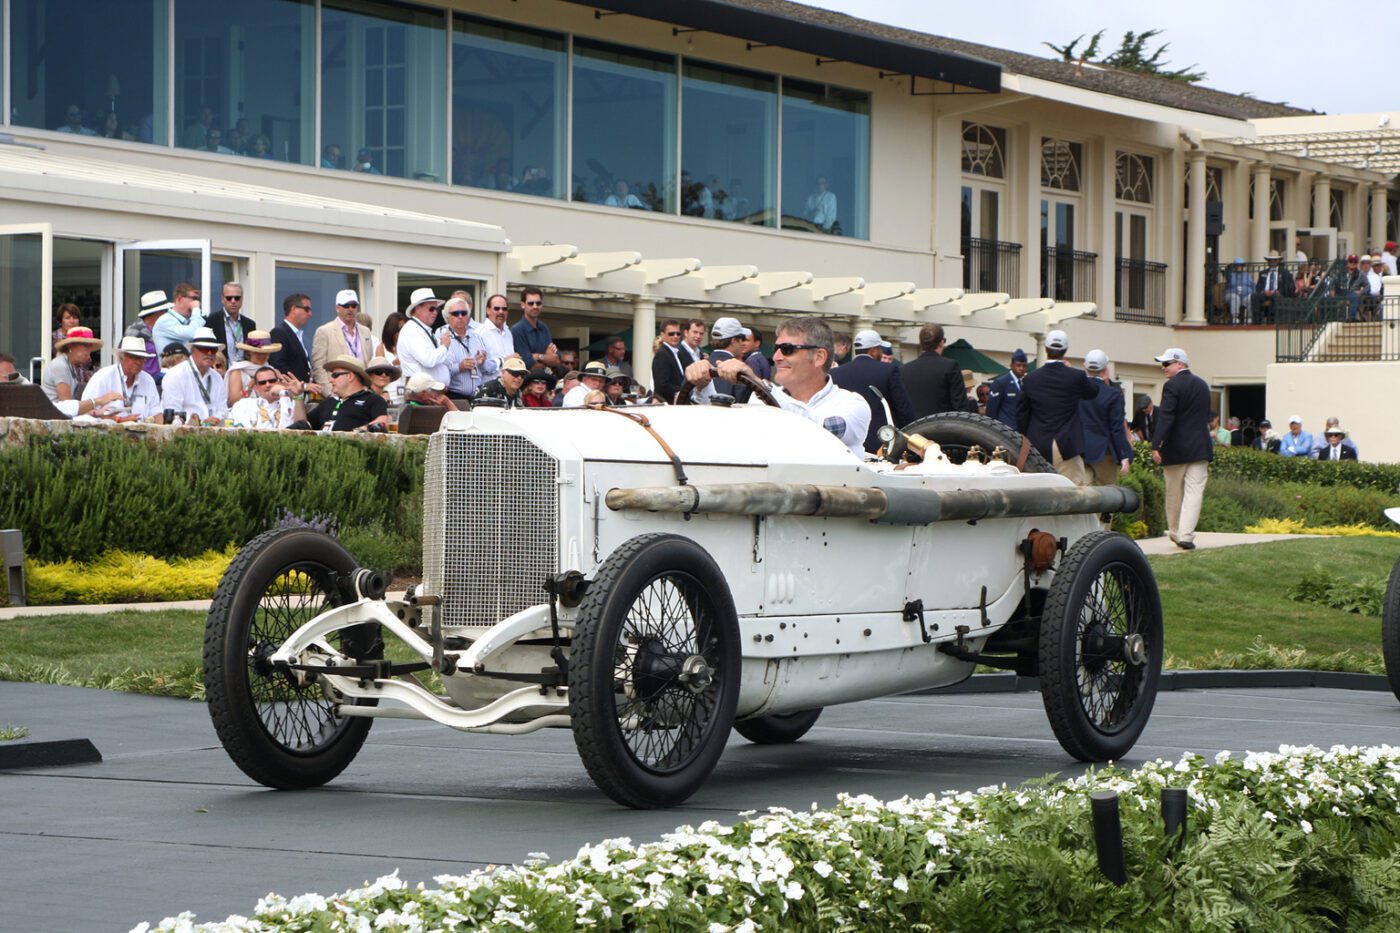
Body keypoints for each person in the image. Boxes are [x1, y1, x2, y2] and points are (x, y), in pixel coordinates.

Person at [683, 315, 870, 458]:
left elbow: (818, 429)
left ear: (819, 357)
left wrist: (759, 384)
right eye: (776, 349)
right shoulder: (759, 398)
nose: (777, 357)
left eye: (787, 349)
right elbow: (725, 435)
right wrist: (703, 386)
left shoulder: (852, 405)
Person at [1015, 330, 1097, 485]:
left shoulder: (1031, 379)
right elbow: (1092, 392)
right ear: (1065, 351)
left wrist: (1027, 436)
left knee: (1039, 492)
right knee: (1072, 493)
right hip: (1067, 444)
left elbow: (1021, 414)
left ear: (1045, 349)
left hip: (1038, 443)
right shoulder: (1076, 376)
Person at [1150, 347, 1212, 550]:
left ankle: (1176, 532)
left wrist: (1156, 444)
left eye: (1167, 364)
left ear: (1180, 364)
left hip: (1176, 448)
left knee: (1174, 493)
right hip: (1200, 447)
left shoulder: (1171, 386)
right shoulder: (1203, 385)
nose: (1163, 368)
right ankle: (1186, 535)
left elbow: (1166, 417)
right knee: (1194, 493)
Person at [830, 328, 915, 454]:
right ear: (874, 351)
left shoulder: (836, 373)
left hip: (846, 442)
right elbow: (903, 408)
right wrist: (913, 434)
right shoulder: (889, 371)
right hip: (881, 442)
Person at [1078, 349, 1133, 488]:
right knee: (1107, 496)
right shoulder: (1112, 394)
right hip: (1104, 452)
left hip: (1078, 449)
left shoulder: (1075, 390)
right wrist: (1124, 455)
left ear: (1085, 366)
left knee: (1083, 492)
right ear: (1105, 369)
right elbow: (1117, 428)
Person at [79, 336, 161, 422]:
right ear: (121, 358)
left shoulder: (148, 381)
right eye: (133, 357)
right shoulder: (103, 377)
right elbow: (84, 411)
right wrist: (121, 420)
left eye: (142, 358)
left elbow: (157, 413)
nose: (138, 362)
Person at [900, 324, 968, 419]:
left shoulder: (904, 370)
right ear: (941, 342)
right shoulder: (950, 366)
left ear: (921, 343)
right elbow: (960, 406)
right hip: (942, 428)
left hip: (912, 429)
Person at [161, 327, 228, 424]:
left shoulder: (217, 377)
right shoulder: (175, 374)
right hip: (184, 432)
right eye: (204, 349)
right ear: (192, 350)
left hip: (214, 430)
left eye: (213, 350)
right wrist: (200, 422)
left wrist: (215, 420)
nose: (209, 353)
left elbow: (223, 409)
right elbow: (172, 412)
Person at [305, 356, 389, 432]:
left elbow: (382, 422)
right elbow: (303, 426)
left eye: (335, 375)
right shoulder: (328, 402)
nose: (331, 380)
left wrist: (358, 432)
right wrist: (297, 397)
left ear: (350, 376)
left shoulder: (372, 400)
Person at [395, 287, 455, 388]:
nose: (435, 312)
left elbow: (447, 361)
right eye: (431, 309)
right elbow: (428, 360)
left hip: (429, 391)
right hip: (422, 392)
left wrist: (443, 350)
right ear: (418, 309)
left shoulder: (421, 330)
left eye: (436, 309)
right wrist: (444, 346)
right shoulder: (412, 331)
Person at [311, 289, 374, 386]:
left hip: (361, 389)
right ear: (337, 308)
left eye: (353, 305)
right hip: (337, 390)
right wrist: (329, 392)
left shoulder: (365, 331)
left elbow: (368, 362)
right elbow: (318, 367)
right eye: (346, 305)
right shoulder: (324, 331)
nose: (350, 309)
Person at [43, 327, 108, 415]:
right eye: (85, 346)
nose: (88, 352)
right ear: (71, 346)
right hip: (53, 418)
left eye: (90, 348)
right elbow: (68, 406)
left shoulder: (70, 365)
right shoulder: (60, 366)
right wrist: (98, 403)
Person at [439, 296, 489, 399]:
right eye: (456, 314)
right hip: (454, 395)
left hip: (477, 396)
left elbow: (485, 370)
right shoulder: (442, 338)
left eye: (464, 313)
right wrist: (460, 367)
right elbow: (439, 371)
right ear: (447, 316)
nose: (460, 316)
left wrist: (482, 363)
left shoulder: (478, 338)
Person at [228, 365, 304, 430]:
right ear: (255, 387)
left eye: (272, 381)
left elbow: (302, 428)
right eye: (262, 383)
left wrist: (287, 394)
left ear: (279, 382)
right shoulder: (244, 405)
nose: (268, 385)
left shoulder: (291, 403)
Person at [126, 291, 172, 384]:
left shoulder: (159, 331)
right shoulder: (137, 332)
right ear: (158, 314)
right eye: (166, 311)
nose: (169, 315)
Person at [510, 287, 560, 370]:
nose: (535, 306)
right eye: (531, 303)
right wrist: (546, 359)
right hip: (526, 381)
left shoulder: (544, 327)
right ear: (522, 304)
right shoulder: (517, 330)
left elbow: (557, 360)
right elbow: (528, 364)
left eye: (538, 303)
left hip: (546, 381)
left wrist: (538, 356)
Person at [227, 330, 282, 406]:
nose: (262, 356)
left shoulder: (272, 371)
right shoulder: (238, 370)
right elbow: (233, 401)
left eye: (265, 353)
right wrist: (250, 386)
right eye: (257, 353)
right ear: (249, 352)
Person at [268, 293, 314, 383]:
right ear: (293, 309)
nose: (310, 314)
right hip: (290, 391)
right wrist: (299, 384)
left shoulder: (298, 335)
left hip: (302, 392)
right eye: (306, 309)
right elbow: (278, 365)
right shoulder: (279, 333)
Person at [207, 282, 257, 364]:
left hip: (244, 372)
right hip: (222, 372)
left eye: (237, 298)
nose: (233, 301)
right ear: (222, 299)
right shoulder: (212, 321)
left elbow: (253, 351)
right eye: (229, 298)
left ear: (242, 299)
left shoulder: (249, 324)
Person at [151, 282, 206, 353]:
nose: (196, 303)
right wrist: (196, 310)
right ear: (179, 298)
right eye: (194, 298)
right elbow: (192, 333)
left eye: (198, 299)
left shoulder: (187, 321)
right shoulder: (165, 320)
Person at [707, 317, 753, 399]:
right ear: (733, 341)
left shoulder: (697, 368)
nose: (743, 343)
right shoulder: (738, 371)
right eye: (742, 338)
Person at [985, 348, 1029, 428]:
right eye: (1018, 365)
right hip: (1004, 428)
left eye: (1024, 366)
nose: (1021, 368)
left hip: (1020, 429)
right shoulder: (1001, 382)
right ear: (1011, 365)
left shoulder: (1025, 383)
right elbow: (991, 409)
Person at [475, 293, 518, 376]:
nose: (501, 312)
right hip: (488, 387)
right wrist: (505, 360)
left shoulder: (508, 332)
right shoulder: (480, 333)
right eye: (497, 308)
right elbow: (482, 367)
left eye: (504, 309)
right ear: (488, 310)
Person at [650, 319, 688, 403]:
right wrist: (683, 392)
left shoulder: (677, 353)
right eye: (671, 334)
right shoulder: (662, 355)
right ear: (663, 335)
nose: (675, 336)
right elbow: (661, 385)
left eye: (678, 334)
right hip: (667, 404)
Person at [1252, 251, 1294, 324]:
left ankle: (1272, 321)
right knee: (1254, 296)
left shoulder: (1284, 272)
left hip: (1277, 293)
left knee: (1275, 297)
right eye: (1270, 260)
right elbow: (1258, 286)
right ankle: (1257, 321)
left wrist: (1278, 291)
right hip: (1265, 293)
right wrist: (1263, 291)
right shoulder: (1263, 273)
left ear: (1278, 261)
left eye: (1274, 260)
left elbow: (1286, 286)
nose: (1272, 262)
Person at [1224, 259, 1254, 324]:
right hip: (1231, 294)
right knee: (1235, 297)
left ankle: (1249, 318)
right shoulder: (1230, 274)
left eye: (1241, 265)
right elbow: (1226, 274)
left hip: (1245, 295)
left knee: (1251, 298)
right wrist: (1229, 267)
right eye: (1237, 265)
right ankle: (1235, 317)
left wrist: (1253, 293)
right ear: (1234, 266)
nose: (1239, 267)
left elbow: (1252, 285)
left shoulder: (1247, 275)